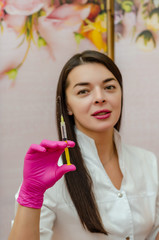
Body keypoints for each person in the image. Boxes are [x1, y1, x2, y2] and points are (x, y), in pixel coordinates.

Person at [8, 50, 159, 240]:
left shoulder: (147, 162)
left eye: (110, 87)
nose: (100, 98)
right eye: (83, 91)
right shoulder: (50, 174)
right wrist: (31, 194)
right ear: (68, 106)